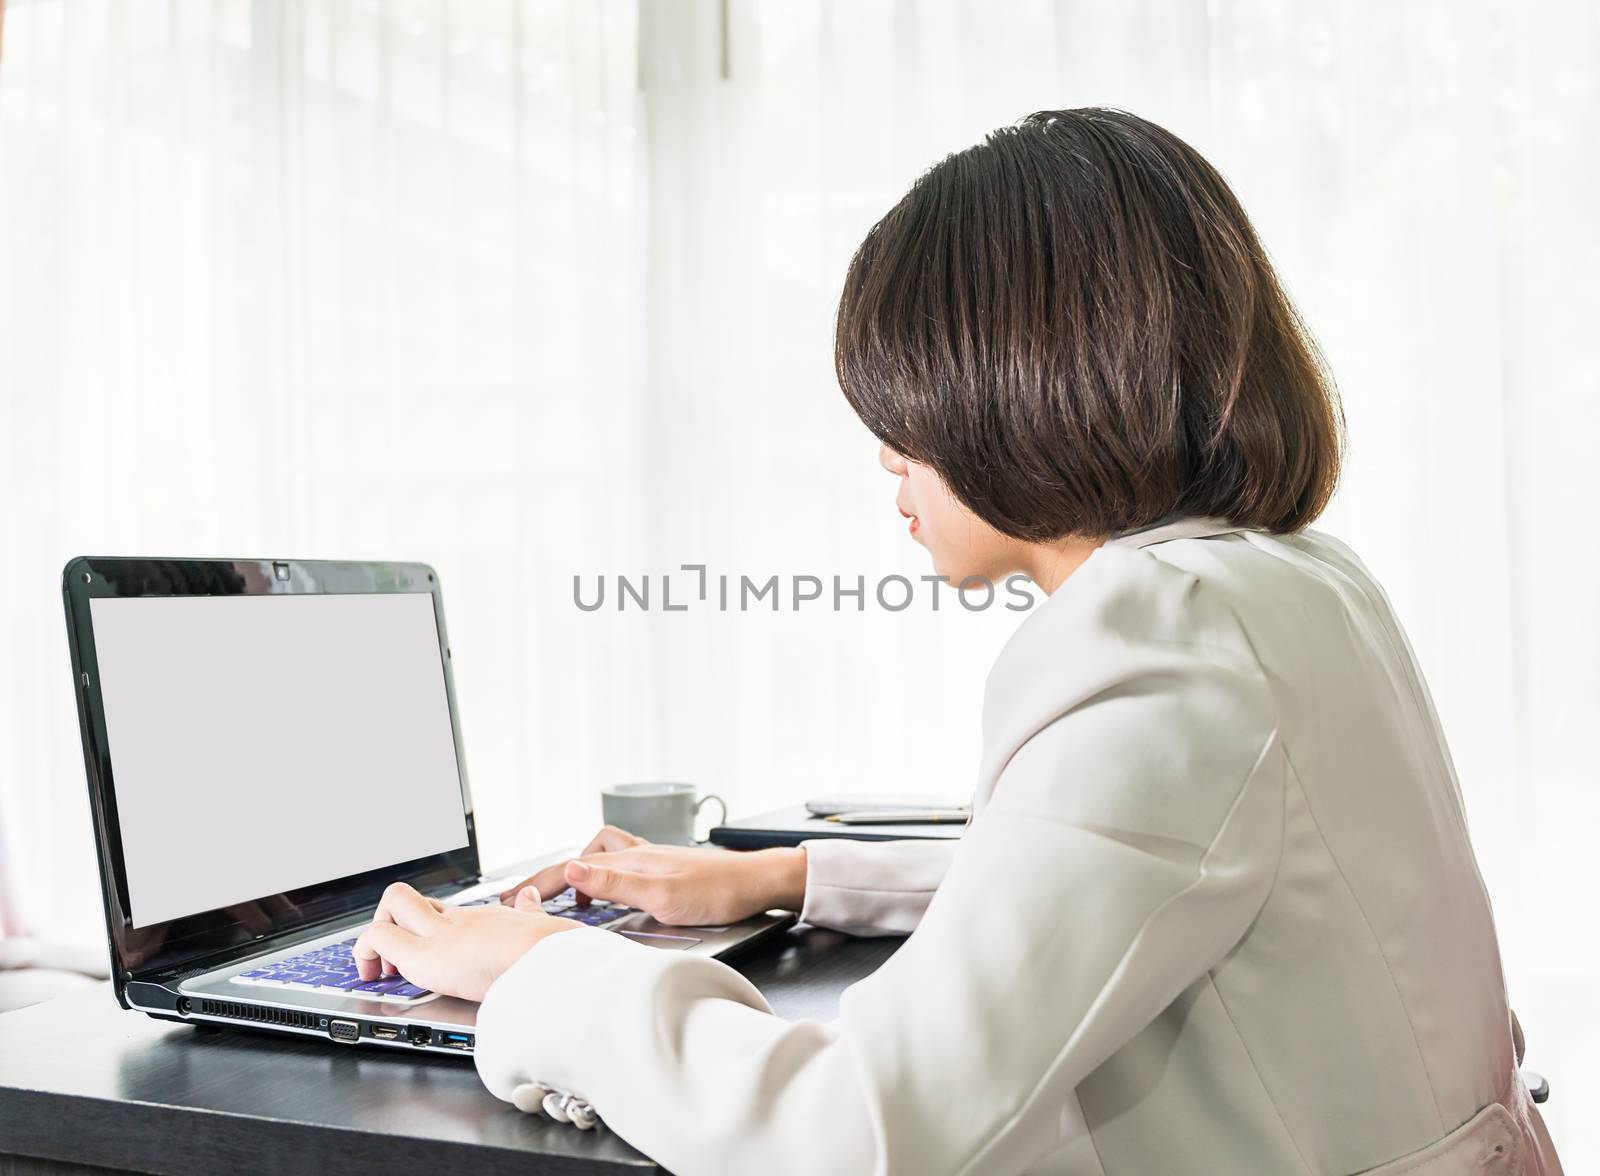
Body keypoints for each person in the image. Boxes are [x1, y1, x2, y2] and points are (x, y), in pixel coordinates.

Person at [351, 109, 1563, 1175]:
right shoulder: (1295, 581)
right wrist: (788, 877)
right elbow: (1148, 871)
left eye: (904, 409)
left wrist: (539, 968)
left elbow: (847, 1135)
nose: (886, 453)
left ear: (1022, 384)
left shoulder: (1156, 636)